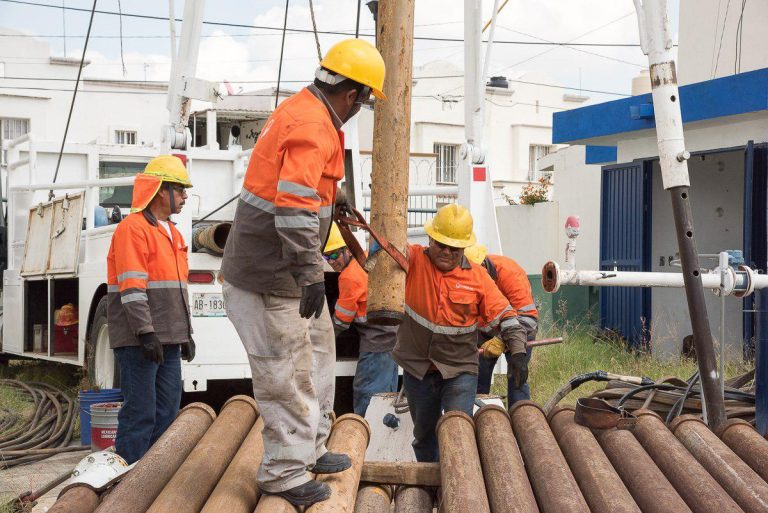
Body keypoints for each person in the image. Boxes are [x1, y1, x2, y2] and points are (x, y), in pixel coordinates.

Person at [220, 39, 386, 506]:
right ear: (352, 94)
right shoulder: (313, 123)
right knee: (285, 373)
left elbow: (307, 188)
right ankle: (283, 475)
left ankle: (310, 448)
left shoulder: (311, 113)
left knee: (317, 356)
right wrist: (312, 272)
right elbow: (292, 207)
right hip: (271, 278)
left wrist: (336, 201)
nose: (362, 108)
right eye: (366, 100)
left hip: (286, 275)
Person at [389, 204, 528, 462]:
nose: (447, 252)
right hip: (418, 369)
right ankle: (428, 494)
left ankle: (458, 492)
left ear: (464, 248)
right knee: (424, 438)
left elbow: (507, 317)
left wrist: (518, 352)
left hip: (459, 371)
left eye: (454, 248)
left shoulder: (478, 278)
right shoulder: (413, 259)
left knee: (459, 436)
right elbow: (384, 245)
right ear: (430, 238)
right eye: (441, 244)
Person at [106, 155, 196, 464]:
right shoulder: (133, 229)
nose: (185, 197)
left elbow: (177, 290)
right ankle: (127, 482)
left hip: (169, 338)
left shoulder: (174, 234)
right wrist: (145, 333)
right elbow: (132, 289)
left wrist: (186, 334)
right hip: (139, 341)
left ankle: (154, 481)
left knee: (167, 413)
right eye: (181, 189)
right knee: (140, 413)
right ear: (161, 190)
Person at [324, 223, 398, 417]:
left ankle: (363, 438)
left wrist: (322, 342)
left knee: (368, 395)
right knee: (387, 397)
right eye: (326, 256)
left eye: (334, 255)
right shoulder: (365, 259)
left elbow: (341, 321)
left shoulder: (348, 277)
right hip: (391, 342)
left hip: (376, 345)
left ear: (347, 249)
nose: (331, 261)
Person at [465, 245, 539, 407]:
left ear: (484, 265)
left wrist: (500, 340)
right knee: (478, 379)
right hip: (486, 330)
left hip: (520, 328)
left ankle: (522, 418)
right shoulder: (466, 276)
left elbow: (528, 318)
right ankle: (481, 416)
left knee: (517, 376)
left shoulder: (510, 273)